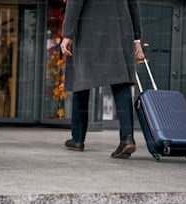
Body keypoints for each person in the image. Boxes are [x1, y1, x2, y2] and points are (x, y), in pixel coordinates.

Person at [60, 0, 145, 159]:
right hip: (120, 29)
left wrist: (67, 33)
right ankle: (127, 138)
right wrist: (137, 39)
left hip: (88, 28)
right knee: (121, 80)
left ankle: (78, 139)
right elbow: (133, 4)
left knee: (81, 79)